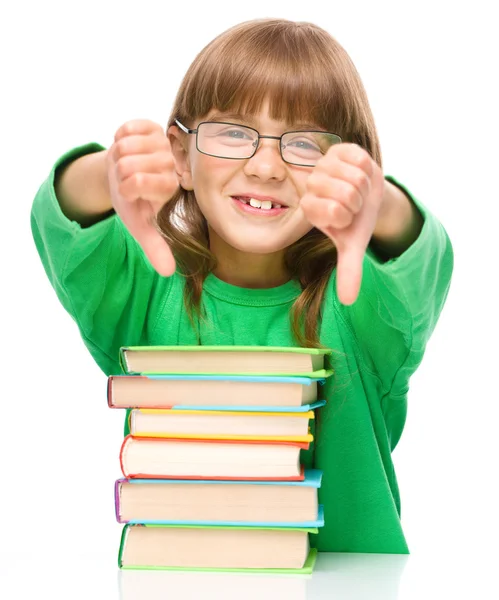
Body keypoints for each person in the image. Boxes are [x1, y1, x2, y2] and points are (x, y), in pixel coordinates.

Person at [30, 18, 454, 554]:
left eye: (305, 143)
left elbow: (424, 258)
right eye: (233, 132)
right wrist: (106, 173)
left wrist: (381, 203)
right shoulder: (146, 292)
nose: (266, 166)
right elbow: (60, 224)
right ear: (180, 156)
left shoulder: (361, 305)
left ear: (348, 170)